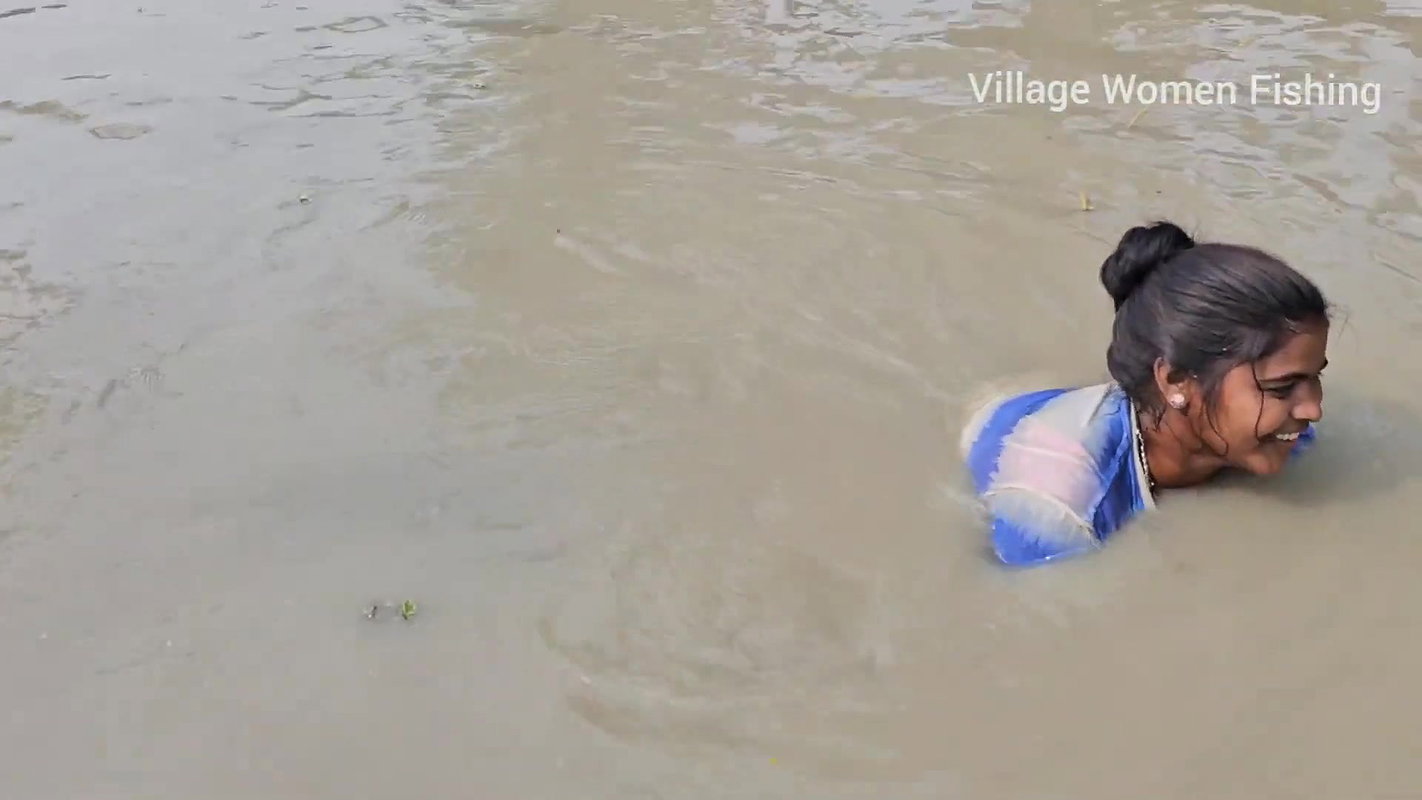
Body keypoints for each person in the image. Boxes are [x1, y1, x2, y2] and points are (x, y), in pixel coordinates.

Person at [960, 220, 1331, 566]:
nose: (1313, 410)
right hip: (1008, 425)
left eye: (1315, 376)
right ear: (1176, 381)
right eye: (1282, 388)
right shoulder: (1055, 509)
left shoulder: (1278, 434)